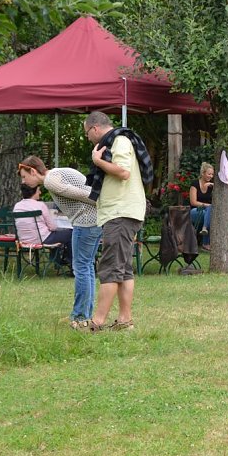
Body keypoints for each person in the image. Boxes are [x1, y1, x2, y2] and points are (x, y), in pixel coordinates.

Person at [18, 156, 100, 328]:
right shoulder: (55, 174)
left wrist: (103, 201)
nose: (24, 182)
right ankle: (85, 314)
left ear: (33, 171)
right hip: (94, 222)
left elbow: (88, 194)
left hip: (85, 222)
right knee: (87, 266)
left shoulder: (50, 181)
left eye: (24, 177)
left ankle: (79, 317)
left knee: (81, 268)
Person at [83, 111, 147, 331]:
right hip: (123, 211)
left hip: (121, 212)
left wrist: (97, 161)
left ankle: (97, 322)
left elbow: (123, 172)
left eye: (87, 133)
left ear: (95, 128)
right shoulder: (116, 141)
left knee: (110, 267)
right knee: (124, 268)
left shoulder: (119, 141)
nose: (88, 138)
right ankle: (124, 320)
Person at [12, 183, 73, 266]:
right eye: (38, 190)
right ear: (33, 192)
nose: (40, 192)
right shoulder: (40, 205)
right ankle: (72, 262)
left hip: (24, 240)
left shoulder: (17, 206)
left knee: (57, 235)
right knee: (71, 233)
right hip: (41, 239)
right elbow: (53, 227)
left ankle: (57, 259)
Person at [189, 162, 214, 250]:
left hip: (207, 212)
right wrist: (208, 205)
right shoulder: (195, 184)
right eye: (209, 174)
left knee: (210, 212)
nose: (211, 176)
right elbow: (193, 202)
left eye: (212, 174)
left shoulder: (211, 186)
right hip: (195, 210)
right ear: (203, 173)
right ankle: (205, 243)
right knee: (210, 210)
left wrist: (214, 186)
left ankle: (204, 228)